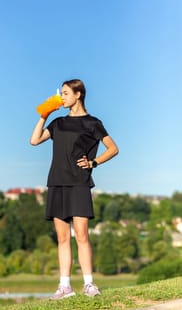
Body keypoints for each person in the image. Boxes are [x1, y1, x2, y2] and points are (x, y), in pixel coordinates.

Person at [30, 79, 119, 300]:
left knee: (81, 235)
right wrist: (44, 114)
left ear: (78, 94)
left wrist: (93, 163)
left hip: (79, 182)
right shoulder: (58, 123)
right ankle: (65, 287)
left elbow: (113, 148)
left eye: (67, 93)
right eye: (62, 93)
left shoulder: (93, 123)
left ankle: (89, 284)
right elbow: (34, 141)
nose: (62, 97)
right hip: (57, 182)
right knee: (62, 238)